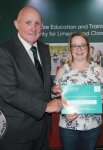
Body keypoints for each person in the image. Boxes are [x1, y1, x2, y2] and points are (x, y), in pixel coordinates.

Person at [0, 6, 62, 150]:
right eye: (28, 22)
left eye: (37, 23)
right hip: (17, 131)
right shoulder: (4, 51)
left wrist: (52, 88)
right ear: (17, 24)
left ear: (42, 26)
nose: (33, 28)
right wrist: (45, 106)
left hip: (42, 128)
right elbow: (9, 92)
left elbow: (41, 80)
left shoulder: (44, 48)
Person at [54, 32, 103, 150]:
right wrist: (63, 108)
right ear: (70, 48)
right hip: (68, 126)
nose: (79, 49)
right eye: (75, 46)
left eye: (82, 45)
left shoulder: (98, 69)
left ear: (88, 47)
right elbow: (56, 97)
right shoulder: (63, 70)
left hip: (93, 126)